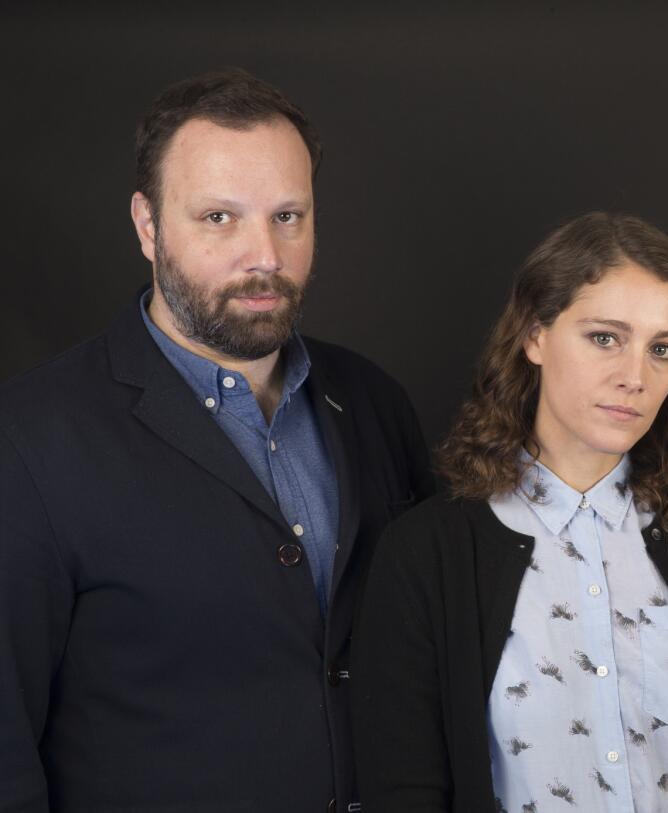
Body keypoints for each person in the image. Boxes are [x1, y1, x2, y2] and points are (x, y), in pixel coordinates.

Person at [0, 68, 434, 812]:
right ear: (146, 224)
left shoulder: (374, 403)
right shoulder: (29, 437)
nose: (264, 254)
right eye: (219, 218)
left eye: (288, 216)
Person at [351, 212, 668, 812]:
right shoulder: (425, 554)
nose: (634, 377)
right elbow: (403, 792)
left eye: (662, 350)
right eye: (604, 338)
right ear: (534, 335)